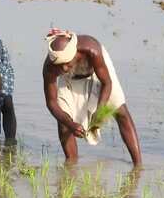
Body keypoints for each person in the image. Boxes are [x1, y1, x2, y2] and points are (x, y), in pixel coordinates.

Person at [42, 28, 142, 166]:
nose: (64, 69)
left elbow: (107, 83)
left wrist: (100, 110)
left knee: (121, 111)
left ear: (76, 53)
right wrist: (71, 124)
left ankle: (138, 166)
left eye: (67, 63)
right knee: (64, 123)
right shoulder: (50, 67)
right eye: (59, 66)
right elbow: (51, 103)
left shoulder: (92, 50)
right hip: (70, 80)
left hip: (97, 72)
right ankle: (71, 169)